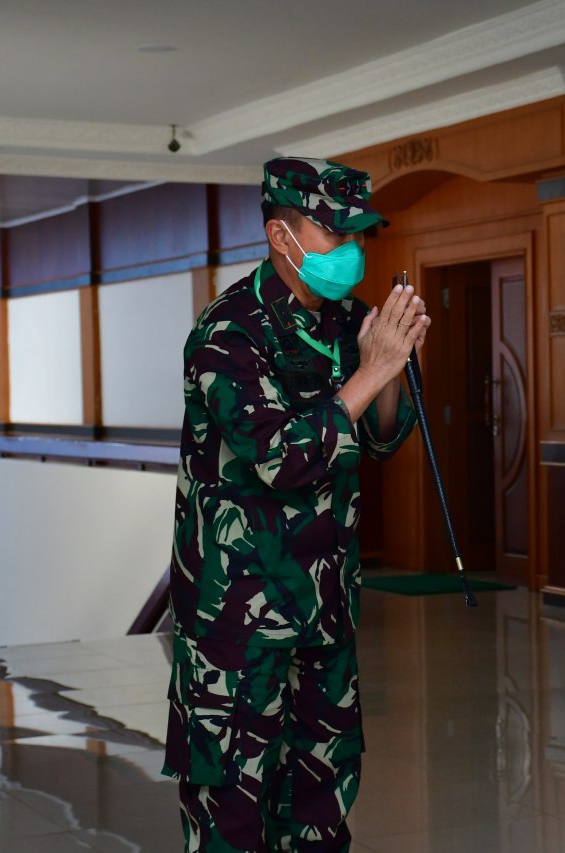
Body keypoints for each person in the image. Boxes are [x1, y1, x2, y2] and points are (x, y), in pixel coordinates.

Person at [163, 156, 430, 851]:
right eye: (334, 233)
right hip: (237, 622)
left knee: (320, 807)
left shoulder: (350, 322)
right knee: (231, 814)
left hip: (325, 608)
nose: (351, 250)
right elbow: (280, 458)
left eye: (358, 234)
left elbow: (380, 438)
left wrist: (390, 369)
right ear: (281, 235)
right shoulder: (228, 331)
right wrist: (373, 370)